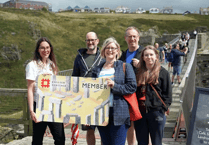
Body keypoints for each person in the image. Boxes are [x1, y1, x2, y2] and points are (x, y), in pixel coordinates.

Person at [92, 37, 137, 145]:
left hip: (119, 113)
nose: (110, 50)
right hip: (101, 112)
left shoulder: (125, 66)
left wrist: (115, 86)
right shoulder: (97, 69)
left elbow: (132, 87)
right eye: (108, 47)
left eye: (113, 48)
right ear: (104, 50)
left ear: (117, 50)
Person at [26, 37, 65, 145]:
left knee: (60, 138)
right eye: (42, 48)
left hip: (52, 105)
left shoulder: (52, 65)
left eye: (47, 47)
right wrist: (31, 111)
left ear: (50, 49)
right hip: (38, 106)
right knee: (38, 139)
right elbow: (30, 89)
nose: (45, 50)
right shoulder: (32, 65)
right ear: (38, 50)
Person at [134, 45, 172, 145]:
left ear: (156, 56)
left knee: (156, 142)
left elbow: (168, 94)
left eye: (151, 54)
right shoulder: (138, 72)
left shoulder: (163, 73)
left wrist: (163, 108)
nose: (149, 57)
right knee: (142, 142)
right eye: (146, 55)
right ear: (142, 57)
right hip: (140, 112)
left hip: (156, 111)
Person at [72, 32, 102, 145]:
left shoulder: (103, 57)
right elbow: (74, 77)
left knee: (103, 129)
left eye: (92, 40)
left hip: (100, 97)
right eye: (88, 40)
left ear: (97, 41)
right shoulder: (79, 58)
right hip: (84, 98)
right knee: (89, 129)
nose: (90, 42)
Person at [119, 26, 143, 145]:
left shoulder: (145, 53)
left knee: (143, 127)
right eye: (129, 36)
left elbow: (156, 71)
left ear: (138, 38)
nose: (132, 39)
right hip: (127, 94)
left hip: (141, 94)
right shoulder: (122, 56)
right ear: (125, 38)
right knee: (130, 124)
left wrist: (142, 66)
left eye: (134, 36)